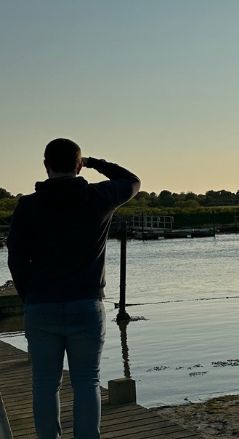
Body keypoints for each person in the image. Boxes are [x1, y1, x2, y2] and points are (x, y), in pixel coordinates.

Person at [7, 138, 140, 439]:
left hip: (41, 306)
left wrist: (29, 296)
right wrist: (95, 163)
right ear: (78, 165)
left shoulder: (28, 206)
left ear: (45, 165)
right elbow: (131, 181)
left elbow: (15, 257)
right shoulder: (99, 197)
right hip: (86, 305)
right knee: (87, 383)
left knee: (44, 384)